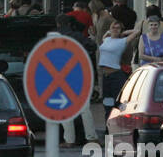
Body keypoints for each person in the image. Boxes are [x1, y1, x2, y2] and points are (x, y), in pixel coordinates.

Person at [55, 14, 99, 145]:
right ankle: (91, 137)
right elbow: (92, 46)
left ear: (58, 24)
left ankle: (69, 140)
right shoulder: (77, 36)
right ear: (70, 24)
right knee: (84, 108)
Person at [98, 21, 130, 104]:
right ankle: (108, 116)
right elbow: (104, 37)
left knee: (117, 102)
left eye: (118, 28)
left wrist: (124, 32)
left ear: (121, 30)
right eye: (113, 27)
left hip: (115, 75)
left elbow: (137, 32)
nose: (115, 29)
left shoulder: (122, 41)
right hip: (105, 76)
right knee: (107, 102)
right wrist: (109, 31)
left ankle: (116, 116)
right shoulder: (107, 40)